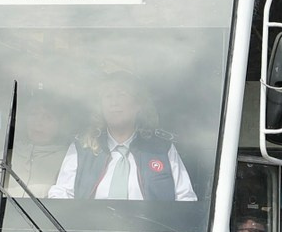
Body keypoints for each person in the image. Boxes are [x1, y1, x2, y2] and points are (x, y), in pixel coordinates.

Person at [47, 74, 197, 202]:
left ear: (138, 104)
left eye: (121, 95)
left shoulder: (163, 149)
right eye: (108, 96)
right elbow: (61, 195)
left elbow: (186, 198)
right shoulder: (82, 148)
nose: (114, 102)